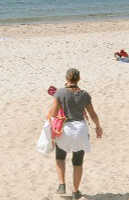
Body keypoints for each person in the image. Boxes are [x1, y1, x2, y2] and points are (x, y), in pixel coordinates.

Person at [47, 68, 102, 199]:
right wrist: (98, 127)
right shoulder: (84, 94)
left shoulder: (60, 93)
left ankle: (61, 184)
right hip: (80, 129)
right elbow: (92, 113)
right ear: (79, 79)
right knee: (77, 162)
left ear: (66, 78)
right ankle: (75, 191)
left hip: (64, 129)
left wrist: (60, 106)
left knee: (60, 157)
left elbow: (53, 113)